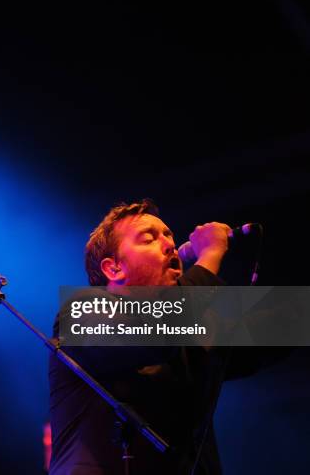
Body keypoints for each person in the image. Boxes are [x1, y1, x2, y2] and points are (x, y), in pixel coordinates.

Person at [48, 199, 248, 474]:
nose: (169, 245)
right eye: (149, 239)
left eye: (169, 236)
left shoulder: (189, 326)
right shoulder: (82, 310)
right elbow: (157, 336)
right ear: (114, 268)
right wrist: (209, 256)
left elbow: (286, 328)